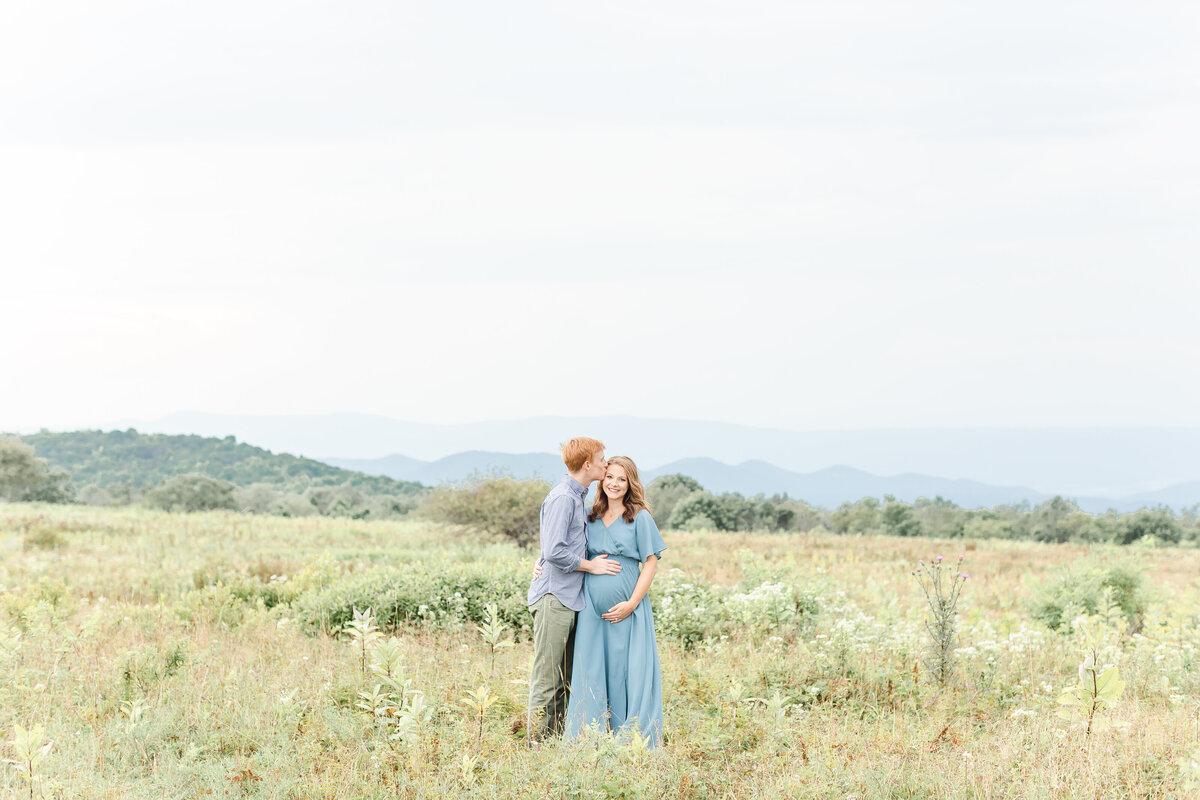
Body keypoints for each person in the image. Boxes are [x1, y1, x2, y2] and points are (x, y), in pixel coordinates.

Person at [563, 455, 667, 747]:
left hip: (627, 610)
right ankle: (589, 737)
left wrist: (632, 603)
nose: (615, 484)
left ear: (630, 483)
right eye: (610, 477)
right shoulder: (589, 515)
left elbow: (650, 563)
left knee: (628, 670)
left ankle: (630, 737)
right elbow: (563, 545)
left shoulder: (639, 517)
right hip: (591, 612)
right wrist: (541, 563)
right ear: (602, 479)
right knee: (591, 670)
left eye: (622, 479)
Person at [526, 437, 622, 742]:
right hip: (555, 598)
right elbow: (554, 550)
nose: (606, 464)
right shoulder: (564, 498)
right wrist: (591, 566)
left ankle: (556, 740)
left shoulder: (575, 497)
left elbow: (553, 546)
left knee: (565, 677)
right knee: (547, 678)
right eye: (602, 459)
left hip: (569, 599)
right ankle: (537, 746)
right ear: (587, 465)